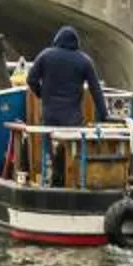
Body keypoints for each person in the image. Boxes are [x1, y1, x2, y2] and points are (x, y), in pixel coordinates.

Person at [24, 26, 106, 183]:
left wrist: (41, 94)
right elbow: (96, 91)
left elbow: (31, 80)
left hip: (50, 114)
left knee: (49, 147)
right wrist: (104, 116)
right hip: (73, 117)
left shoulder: (45, 56)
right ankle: (75, 180)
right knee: (73, 150)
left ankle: (49, 175)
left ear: (57, 40)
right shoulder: (84, 61)